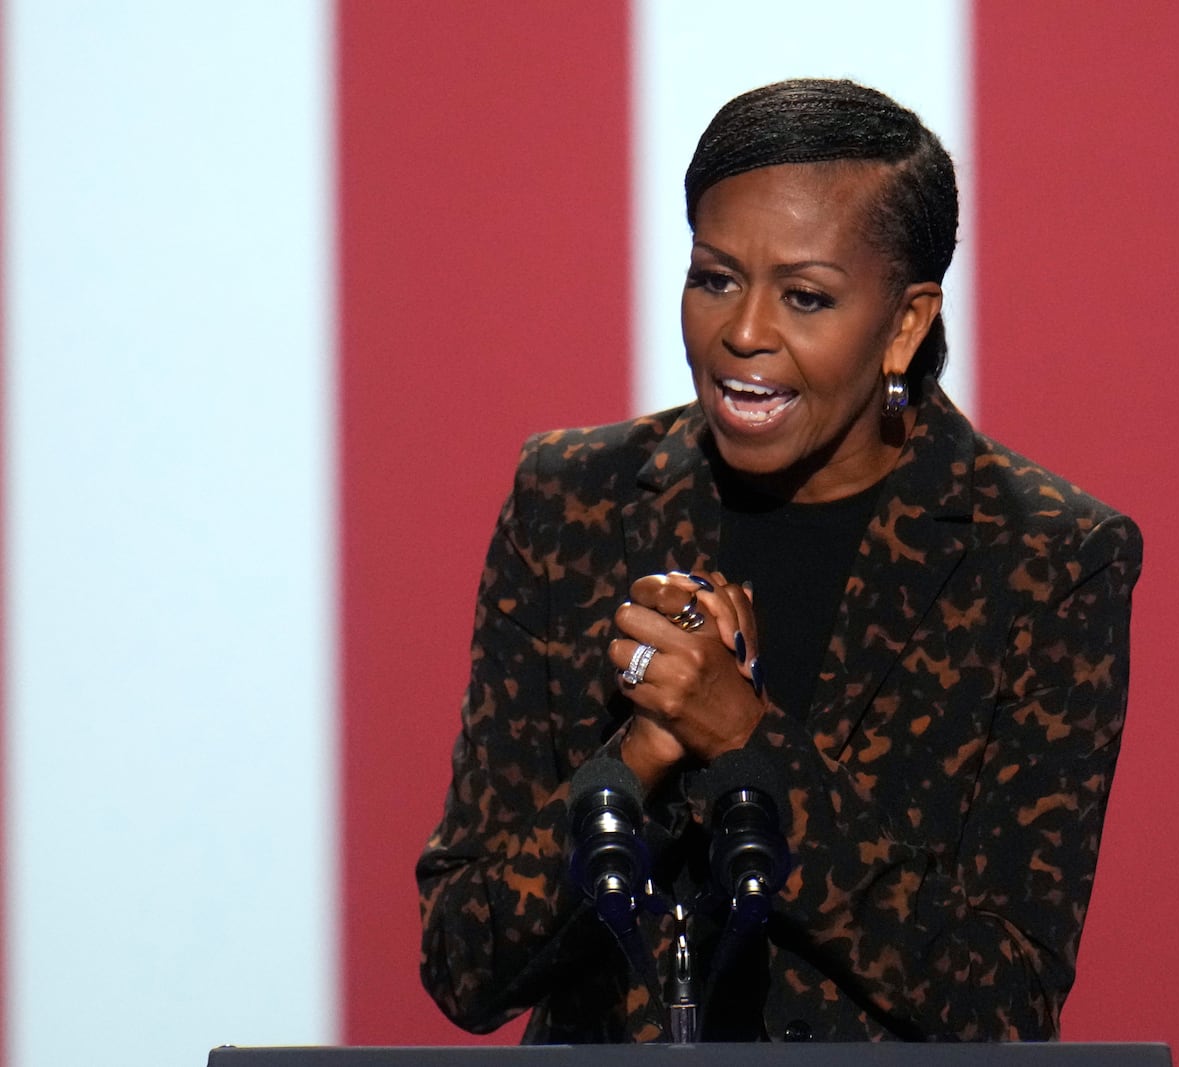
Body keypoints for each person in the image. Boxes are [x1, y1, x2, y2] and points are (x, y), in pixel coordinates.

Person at [416, 78, 1142, 1043]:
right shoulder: (571, 504)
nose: (743, 332)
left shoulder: (1046, 559)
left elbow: (1003, 1002)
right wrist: (639, 755)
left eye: (805, 296)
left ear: (904, 323)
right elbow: (466, 962)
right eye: (714, 277)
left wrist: (748, 741)